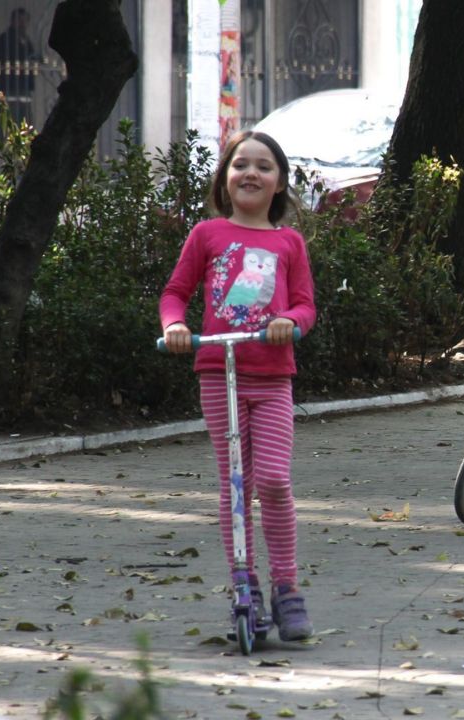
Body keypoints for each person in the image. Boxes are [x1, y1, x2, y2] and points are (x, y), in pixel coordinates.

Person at [160, 130, 317, 640]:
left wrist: (289, 321)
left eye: (264, 166)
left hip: (272, 377)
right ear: (225, 178)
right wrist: (175, 326)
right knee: (235, 485)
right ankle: (242, 584)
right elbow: (175, 293)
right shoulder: (207, 234)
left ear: (279, 183)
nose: (251, 173)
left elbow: (305, 305)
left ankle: (286, 586)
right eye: (240, 164)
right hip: (218, 372)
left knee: (272, 480)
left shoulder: (287, 242)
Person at [0, 8, 38, 123]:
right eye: (19, 20)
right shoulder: (4, 40)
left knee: (25, 123)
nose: (22, 24)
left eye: (25, 21)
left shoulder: (26, 40)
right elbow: (3, 61)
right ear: (13, 21)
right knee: (6, 122)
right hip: (5, 87)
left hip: (23, 88)